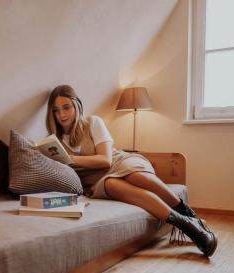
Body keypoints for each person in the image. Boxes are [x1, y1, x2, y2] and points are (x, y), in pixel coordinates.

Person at [46, 85, 217, 257]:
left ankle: (190, 217)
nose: (62, 115)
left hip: (119, 162)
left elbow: (106, 160)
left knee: (136, 176)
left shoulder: (93, 122)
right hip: (97, 180)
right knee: (111, 184)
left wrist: (71, 158)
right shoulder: (53, 142)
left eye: (66, 107)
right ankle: (185, 224)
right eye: (56, 110)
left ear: (76, 105)